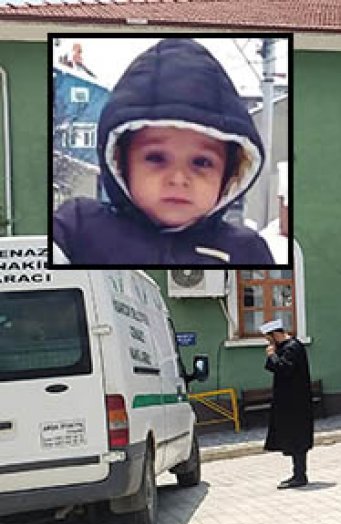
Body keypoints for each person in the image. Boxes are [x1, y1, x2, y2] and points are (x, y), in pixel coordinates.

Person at [52, 38, 274, 266]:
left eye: (202, 162)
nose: (178, 179)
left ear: (229, 173)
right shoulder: (78, 230)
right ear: (121, 162)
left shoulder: (246, 252)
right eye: (156, 158)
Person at [261, 319, 315, 489]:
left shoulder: (292, 347)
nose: (269, 343)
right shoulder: (287, 346)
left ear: (276, 334)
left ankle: (300, 475)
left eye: (270, 339)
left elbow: (284, 369)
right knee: (292, 438)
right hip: (289, 402)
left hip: (295, 403)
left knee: (297, 438)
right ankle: (297, 474)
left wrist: (272, 355)